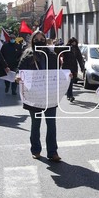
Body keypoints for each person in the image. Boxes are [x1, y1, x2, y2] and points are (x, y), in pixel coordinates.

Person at [17, 30, 62, 162]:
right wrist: (18, 76)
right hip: (34, 96)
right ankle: (36, 150)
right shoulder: (27, 54)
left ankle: (52, 152)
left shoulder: (52, 55)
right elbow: (19, 70)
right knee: (36, 124)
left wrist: (67, 76)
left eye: (42, 38)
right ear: (32, 40)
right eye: (36, 38)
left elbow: (58, 73)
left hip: (49, 95)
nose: (40, 40)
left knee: (51, 124)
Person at [61, 37, 85, 102]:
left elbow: (80, 58)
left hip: (74, 67)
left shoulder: (76, 49)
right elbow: (60, 53)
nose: (74, 43)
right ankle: (70, 95)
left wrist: (82, 67)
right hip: (66, 67)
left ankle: (69, 95)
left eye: (75, 42)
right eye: (72, 42)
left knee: (71, 82)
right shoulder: (66, 48)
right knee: (70, 82)